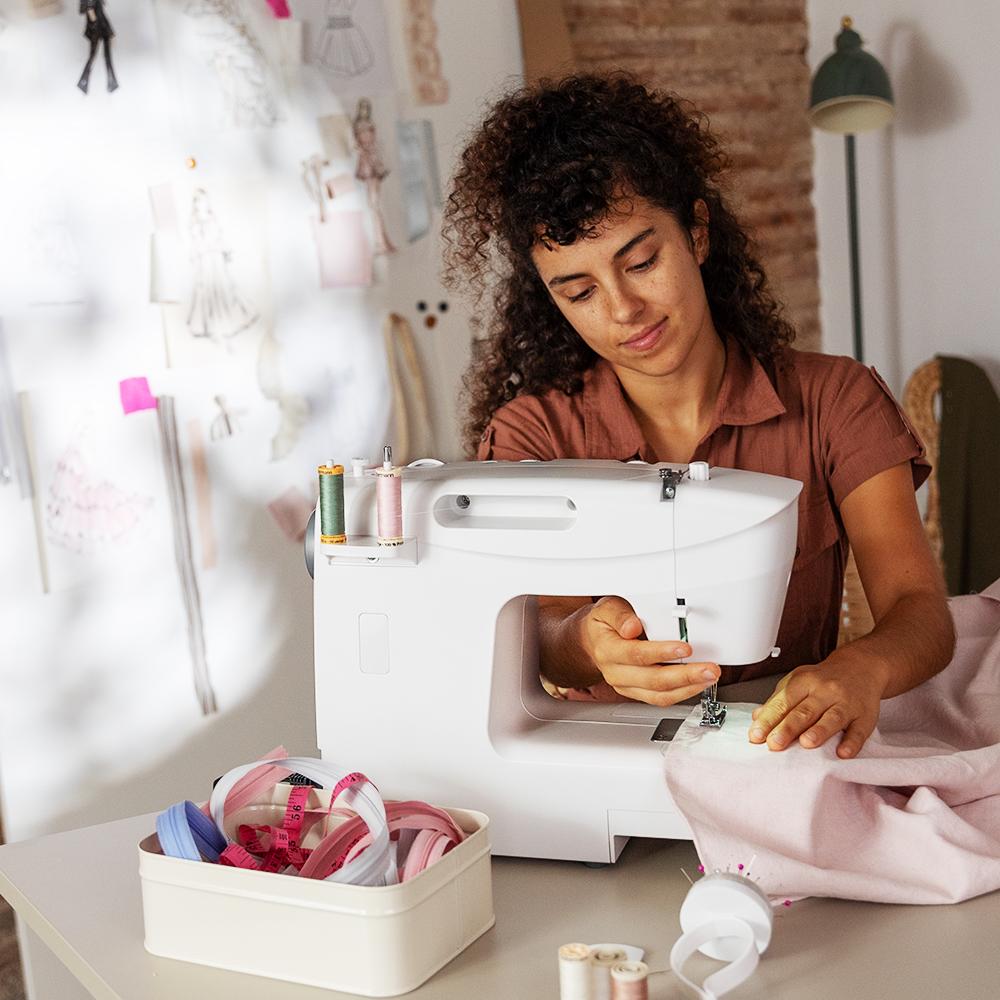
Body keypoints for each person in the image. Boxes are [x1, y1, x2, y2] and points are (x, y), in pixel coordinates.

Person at [441, 73, 954, 759]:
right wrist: (589, 643)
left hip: (781, 745)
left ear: (698, 233)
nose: (624, 309)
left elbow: (920, 612)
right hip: (606, 758)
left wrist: (863, 665)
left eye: (641, 261)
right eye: (580, 292)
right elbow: (535, 635)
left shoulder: (835, 401)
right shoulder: (534, 435)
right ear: (551, 299)